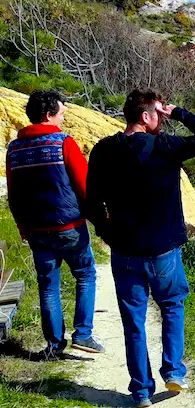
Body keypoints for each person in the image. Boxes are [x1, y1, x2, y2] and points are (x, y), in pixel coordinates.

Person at [86, 89, 195, 408]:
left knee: (133, 320)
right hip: (164, 251)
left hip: (125, 252)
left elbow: (92, 203)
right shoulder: (165, 147)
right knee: (172, 306)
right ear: (145, 116)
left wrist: (109, 235)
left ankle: (141, 391)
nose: (163, 119)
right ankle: (173, 371)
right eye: (158, 113)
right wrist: (180, 113)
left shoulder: (104, 150)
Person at [6, 90, 104, 357]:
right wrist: (99, 218)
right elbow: (85, 186)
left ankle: (54, 345)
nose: (63, 119)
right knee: (85, 274)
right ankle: (83, 334)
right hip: (69, 227)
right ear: (49, 114)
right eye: (61, 113)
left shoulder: (14, 149)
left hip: (37, 231)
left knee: (48, 284)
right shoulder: (64, 143)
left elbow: (13, 195)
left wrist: (23, 228)